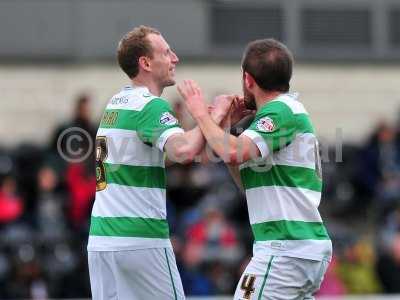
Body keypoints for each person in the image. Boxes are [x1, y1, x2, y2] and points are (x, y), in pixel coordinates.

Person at [178, 39, 332, 299]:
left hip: (285, 249)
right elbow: (245, 180)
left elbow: (234, 151)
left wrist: (199, 113)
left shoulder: (280, 111)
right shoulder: (278, 115)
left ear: (248, 79)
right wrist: (228, 129)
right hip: (295, 248)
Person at [87, 25, 229, 300]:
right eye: (166, 52)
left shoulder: (116, 103)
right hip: (140, 240)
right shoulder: (150, 106)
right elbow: (184, 150)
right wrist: (209, 115)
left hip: (102, 240)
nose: (174, 58)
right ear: (146, 63)